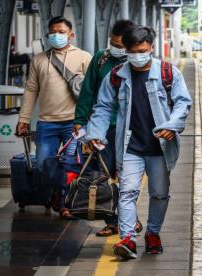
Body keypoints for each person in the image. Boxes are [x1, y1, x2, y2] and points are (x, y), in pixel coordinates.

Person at [85, 26, 192, 259]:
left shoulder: (168, 72)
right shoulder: (117, 75)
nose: (137, 55)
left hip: (160, 148)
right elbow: (103, 107)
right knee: (127, 192)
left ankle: (152, 233)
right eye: (132, 51)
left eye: (142, 50)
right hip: (130, 146)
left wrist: (171, 126)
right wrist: (95, 133)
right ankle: (127, 239)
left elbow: (183, 103)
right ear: (126, 50)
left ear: (151, 48)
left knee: (159, 193)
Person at [15, 16, 92, 219]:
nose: (56, 35)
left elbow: (92, 89)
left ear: (71, 34)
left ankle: (65, 201)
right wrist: (23, 120)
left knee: (71, 165)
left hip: (74, 123)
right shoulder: (39, 60)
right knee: (43, 164)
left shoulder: (84, 57)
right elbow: (31, 90)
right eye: (52, 32)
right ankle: (57, 191)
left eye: (61, 32)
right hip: (46, 122)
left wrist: (90, 120)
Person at [73, 20, 143, 237]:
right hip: (103, 128)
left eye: (121, 46)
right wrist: (80, 119)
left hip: (131, 127)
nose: (115, 48)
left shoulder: (139, 61)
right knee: (103, 173)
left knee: (126, 175)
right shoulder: (101, 58)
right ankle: (115, 220)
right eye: (113, 43)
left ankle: (126, 220)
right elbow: (88, 90)